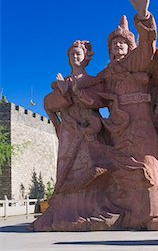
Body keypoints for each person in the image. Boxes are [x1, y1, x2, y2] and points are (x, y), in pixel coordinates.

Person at [97, 0, 158, 231]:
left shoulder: (136, 61)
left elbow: (148, 40)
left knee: (149, 163)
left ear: (129, 46)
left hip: (140, 121)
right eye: (113, 44)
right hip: (118, 125)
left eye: (121, 43)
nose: (117, 47)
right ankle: (127, 211)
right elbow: (90, 90)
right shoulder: (106, 73)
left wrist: (143, 14)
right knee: (123, 168)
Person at [31, 40, 119, 231]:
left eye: (78, 54)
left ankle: (92, 210)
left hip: (89, 130)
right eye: (72, 54)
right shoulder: (62, 83)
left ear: (85, 57)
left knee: (92, 167)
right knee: (67, 170)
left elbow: (98, 103)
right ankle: (64, 211)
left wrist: (74, 92)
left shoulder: (93, 81)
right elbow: (48, 104)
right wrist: (59, 125)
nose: (75, 57)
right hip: (70, 133)